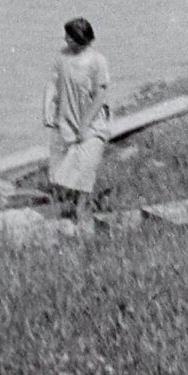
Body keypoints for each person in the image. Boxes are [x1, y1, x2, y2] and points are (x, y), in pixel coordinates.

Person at [42, 18, 111, 222]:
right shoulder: (62, 56)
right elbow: (52, 82)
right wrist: (46, 107)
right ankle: (70, 203)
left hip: (91, 120)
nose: (65, 39)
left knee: (86, 164)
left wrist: (85, 124)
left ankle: (81, 209)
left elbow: (100, 95)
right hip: (66, 118)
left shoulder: (97, 61)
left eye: (69, 37)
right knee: (61, 168)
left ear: (81, 39)